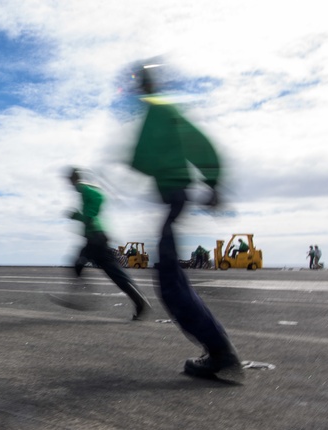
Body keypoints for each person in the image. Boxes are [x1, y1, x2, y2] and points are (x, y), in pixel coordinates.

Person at [128, 62, 243, 381]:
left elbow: (193, 142)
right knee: (170, 280)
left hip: (176, 195)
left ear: (145, 83)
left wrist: (214, 180)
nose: (137, 86)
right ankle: (219, 352)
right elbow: (150, 155)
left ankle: (220, 355)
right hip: (174, 197)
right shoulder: (156, 112)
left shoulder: (160, 110)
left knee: (171, 283)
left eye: (138, 81)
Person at [64, 168, 151, 320]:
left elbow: (99, 197)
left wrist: (84, 215)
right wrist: (80, 216)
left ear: (73, 179)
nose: (69, 183)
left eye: (70, 180)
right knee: (113, 272)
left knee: (79, 264)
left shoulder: (84, 188)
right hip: (96, 236)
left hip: (95, 237)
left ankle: (84, 295)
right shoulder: (83, 190)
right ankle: (139, 300)